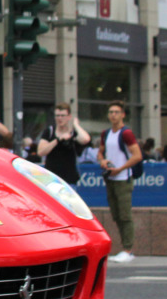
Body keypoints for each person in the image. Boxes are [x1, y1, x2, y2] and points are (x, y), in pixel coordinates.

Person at [97, 101, 143, 263]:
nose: (113, 115)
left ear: (123, 114)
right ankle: (125, 248)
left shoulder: (126, 134)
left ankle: (128, 249)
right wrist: (103, 161)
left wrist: (121, 168)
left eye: (116, 112)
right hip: (110, 177)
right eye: (110, 112)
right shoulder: (106, 133)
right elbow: (100, 153)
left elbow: (137, 155)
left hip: (123, 178)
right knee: (116, 215)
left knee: (125, 215)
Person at [36, 103, 91, 185]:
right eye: (57, 116)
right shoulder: (49, 132)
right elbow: (40, 152)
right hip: (52, 179)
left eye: (63, 116)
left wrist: (76, 125)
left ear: (69, 117)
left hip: (69, 180)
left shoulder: (73, 133)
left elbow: (86, 139)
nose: (60, 118)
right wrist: (57, 140)